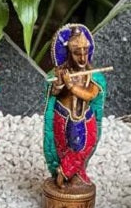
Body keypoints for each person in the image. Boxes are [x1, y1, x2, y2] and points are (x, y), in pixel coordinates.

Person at [43, 24, 106, 187]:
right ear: (69, 54)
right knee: (64, 148)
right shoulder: (62, 72)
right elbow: (54, 93)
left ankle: (65, 172)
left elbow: (91, 94)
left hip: (86, 116)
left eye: (86, 52)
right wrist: (58, 84)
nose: (83, 58)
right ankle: (69, 173)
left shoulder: (92, 75)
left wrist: (71, 86)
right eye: (78, 53)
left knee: (86, 144)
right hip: (63, 116)